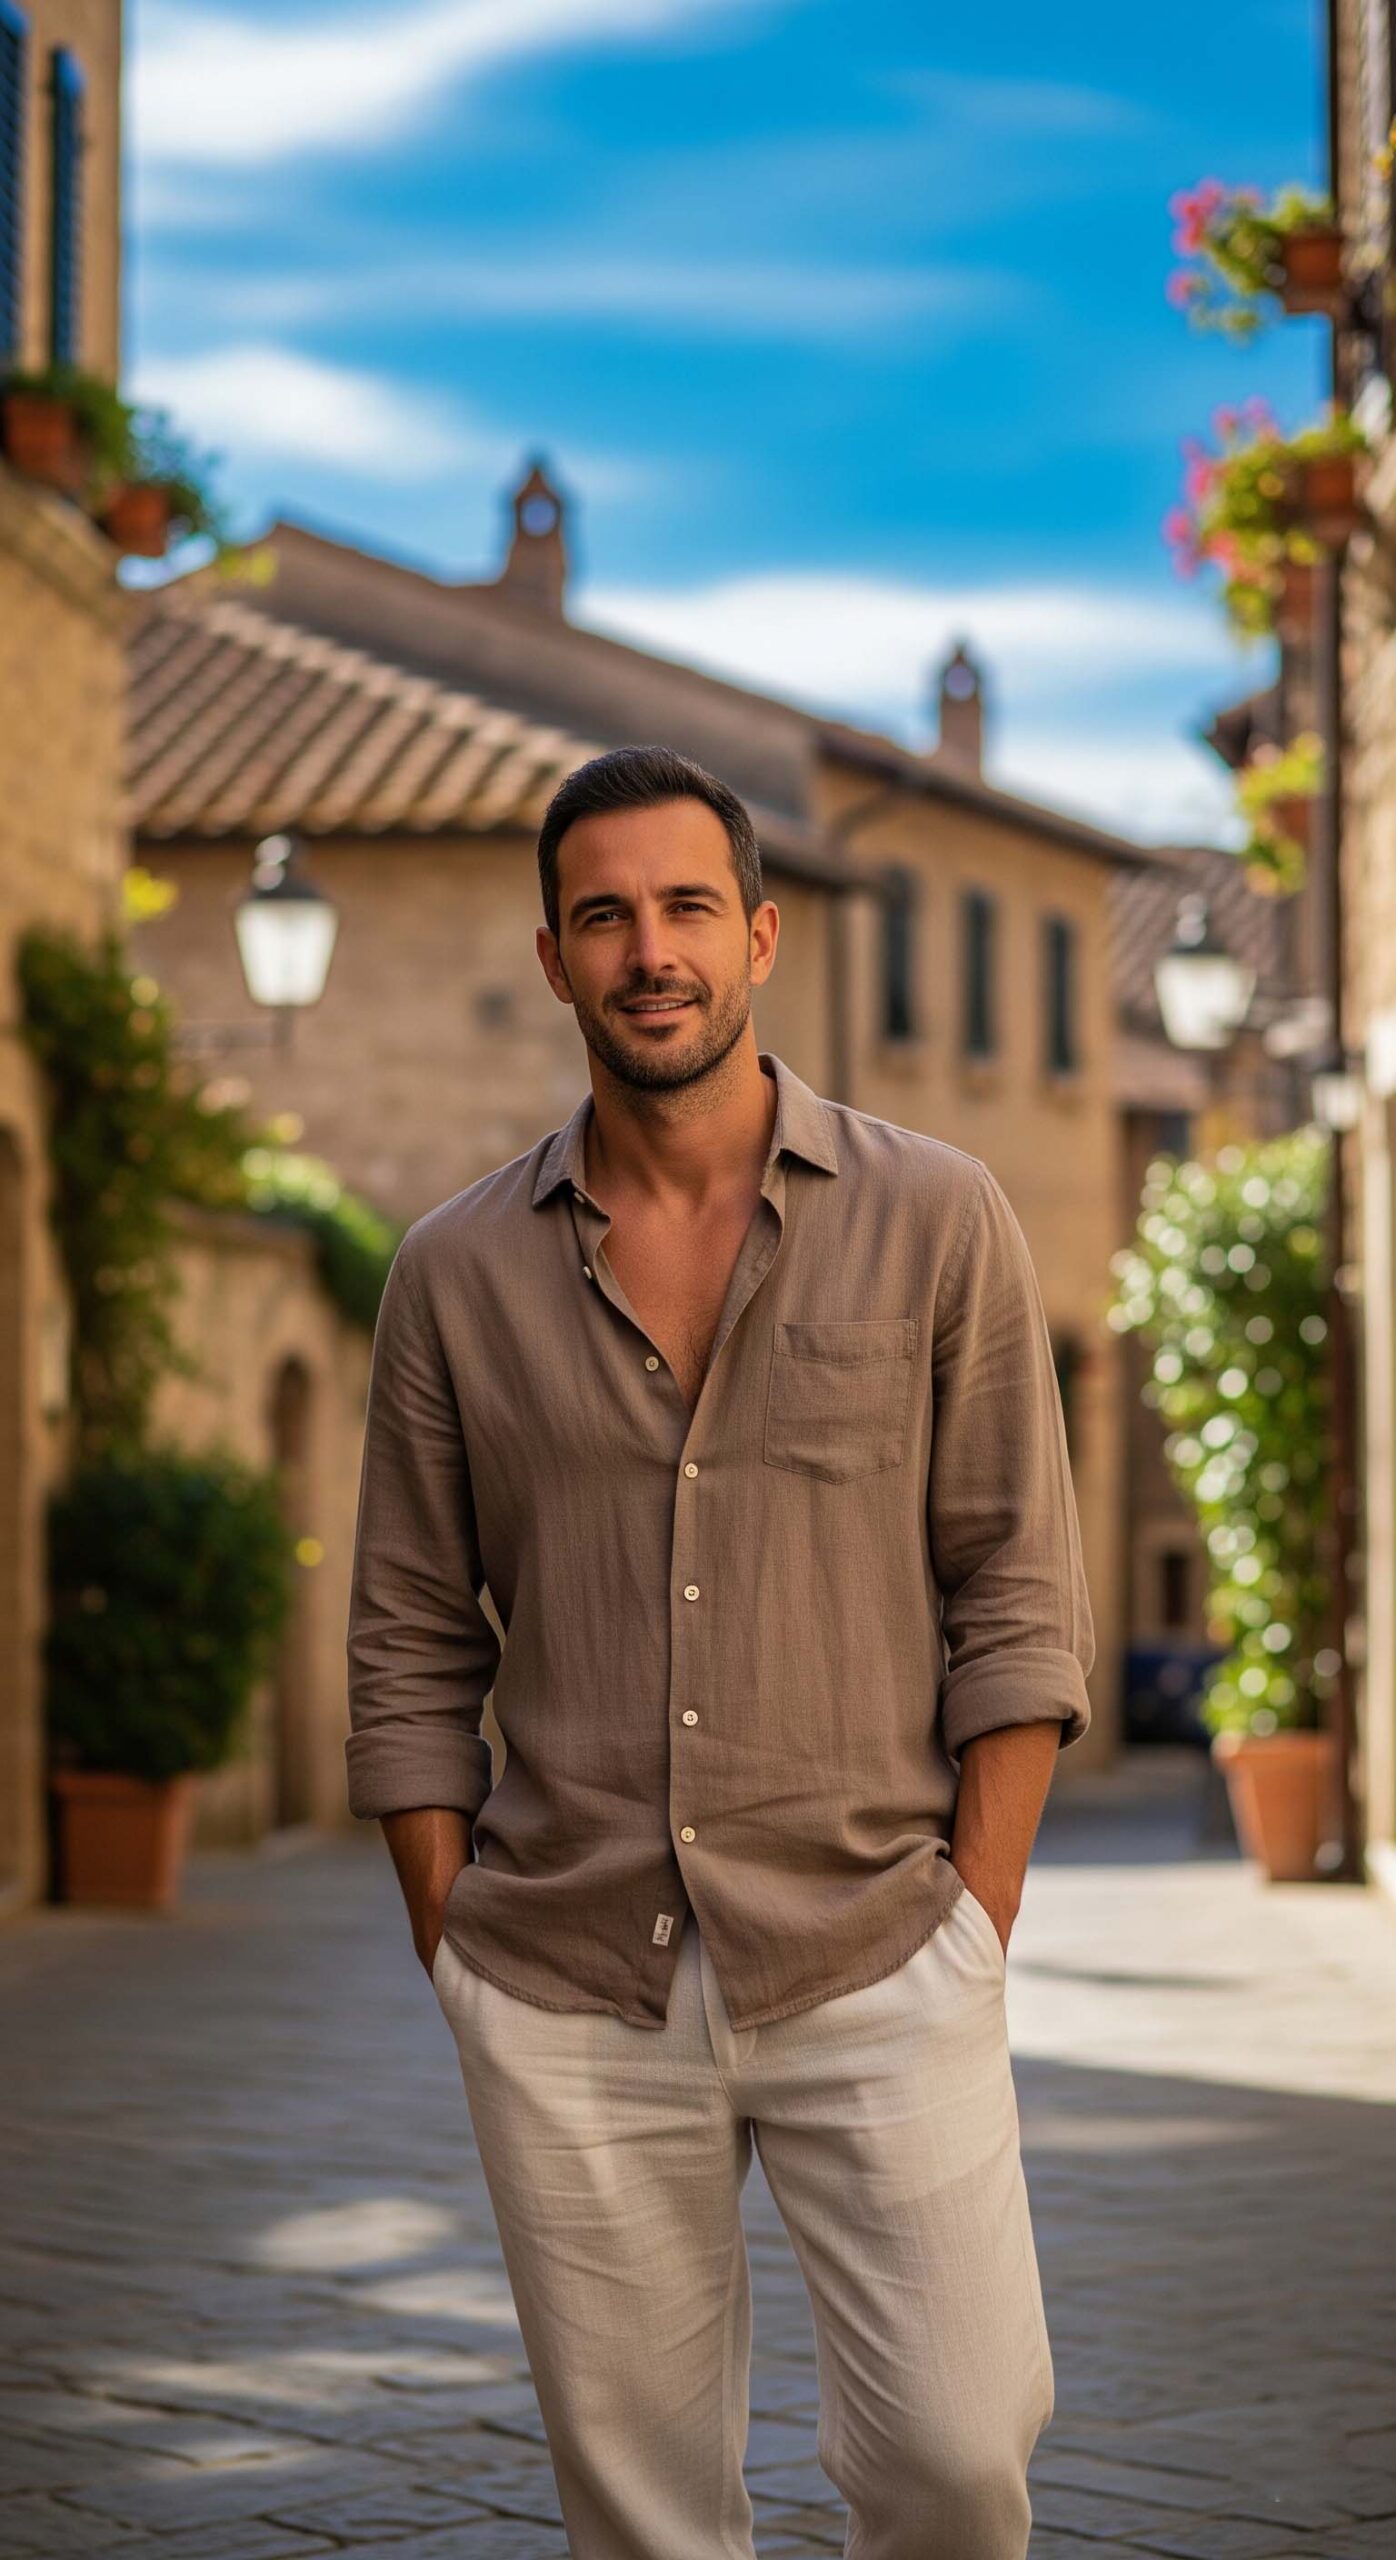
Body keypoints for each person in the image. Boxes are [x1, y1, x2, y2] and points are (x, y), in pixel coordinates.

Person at [345, 742, 1094, 2560]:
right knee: (646, 2521)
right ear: (555, 960)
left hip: (873, 1946)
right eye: (604, 917)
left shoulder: (939, 1218)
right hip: (566, 1973)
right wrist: (459, 1944)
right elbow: (408, 1631)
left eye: (687, 908)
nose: (648, 951)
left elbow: (1017, 1588)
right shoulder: (454, 1272)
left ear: (761, 937)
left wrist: (971, 1919)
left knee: (958, 2456)